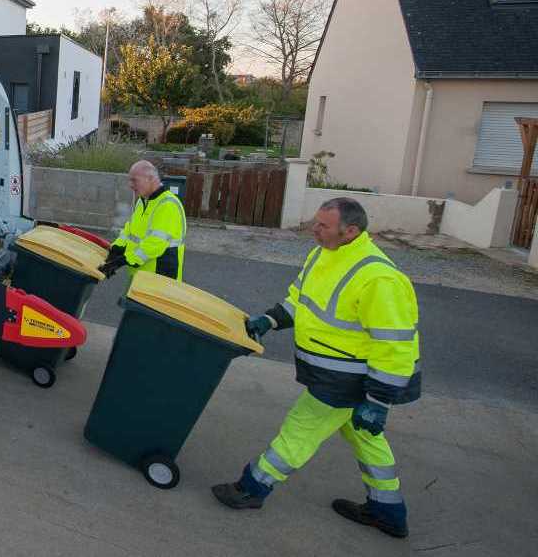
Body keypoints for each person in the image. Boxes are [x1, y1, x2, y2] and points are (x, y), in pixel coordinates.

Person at [211, 197, 421, 539]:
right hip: (336, 373)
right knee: (367, 440)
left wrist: (378, 401)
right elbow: (300, 300)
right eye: (316, 222)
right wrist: (271, 319)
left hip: (351, 381)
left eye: (323, 225)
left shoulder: (378, 278)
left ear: (350, 231)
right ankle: (388, 510)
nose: (314, 229)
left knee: (300, 430)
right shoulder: (323, 256)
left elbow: (395, 345)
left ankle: (252, 487)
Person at [101, 160, 186, 280]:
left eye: (134, 180)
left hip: (159, 277)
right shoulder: (142, 201)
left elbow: (155, 243)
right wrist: (117, 248)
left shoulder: (168, 205)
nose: (130, 185)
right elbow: (130, 230)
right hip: (140, 274)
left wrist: (124, 260)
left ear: (151, 178)